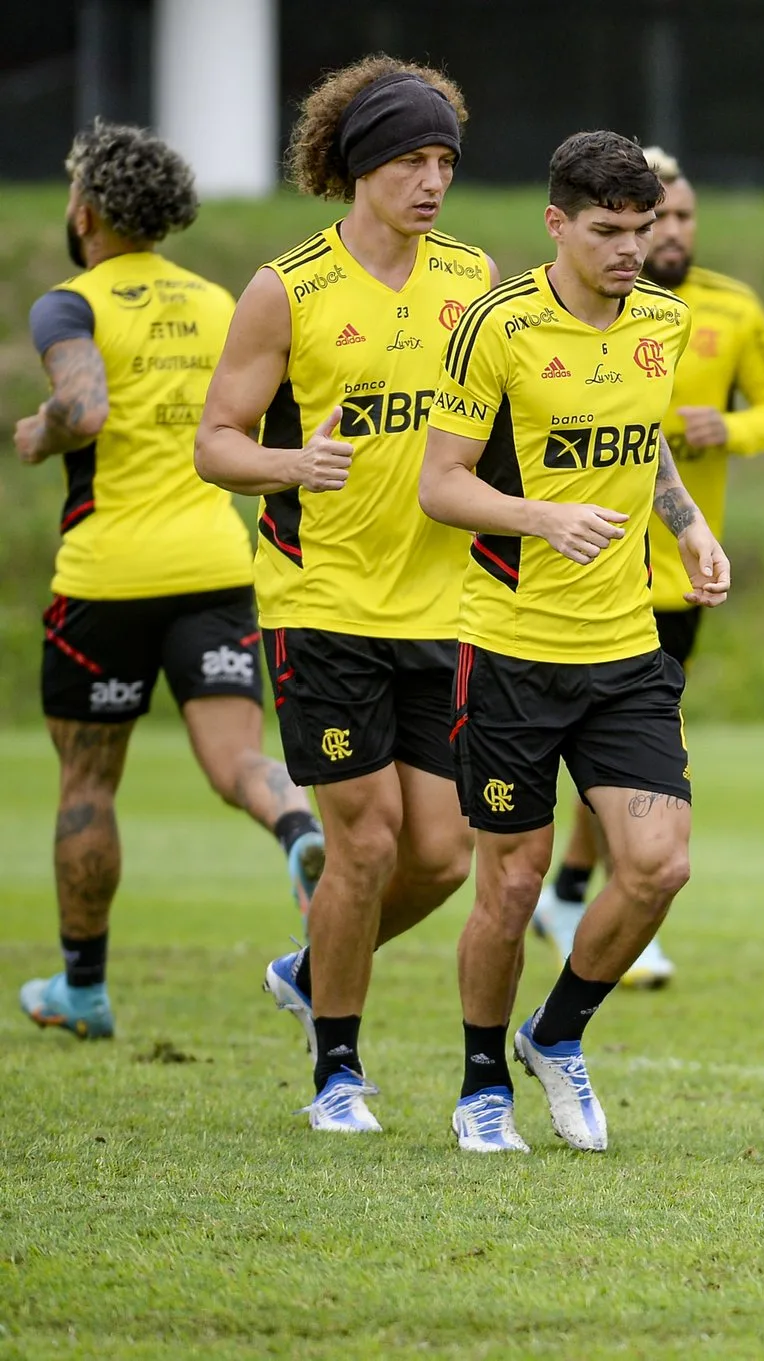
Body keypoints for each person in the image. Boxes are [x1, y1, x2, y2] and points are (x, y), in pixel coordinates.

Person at [196, 58, 494, 1133]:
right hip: (319, 601)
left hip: (445, 605)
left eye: (444, 162)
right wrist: (290, 469)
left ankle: (309, 960)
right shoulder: (289, 288)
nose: (431, 182)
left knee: (444, 853)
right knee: (362, 842)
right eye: (411, 160)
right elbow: (216, 442)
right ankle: (336, 1073)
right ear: (361, 166)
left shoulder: (472, 278)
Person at [420, 130, 730, 1155]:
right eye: (606, 231)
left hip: (624, 646)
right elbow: (442, 483)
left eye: (641, 230)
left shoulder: (663, 319)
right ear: (555, 222)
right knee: (508, 884)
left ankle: (556, 1034)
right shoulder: (496, 326)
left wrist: (686, 523)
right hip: (508, 649)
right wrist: (540, 515)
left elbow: (639, 453)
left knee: (657, 865)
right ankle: (478, 1085)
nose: (629, 250)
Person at [13, 122, 324, 1040]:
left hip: (108, 575)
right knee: (237, 760)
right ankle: (299, 835)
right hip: (217, 566)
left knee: (87, 780)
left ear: (88, 210)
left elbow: (83, 406)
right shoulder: (220, 301)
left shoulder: (69, 304)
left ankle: (84, 989)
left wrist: (42, 433)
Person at [530, 145, 764, 988]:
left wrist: (733, 431)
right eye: (653, 220)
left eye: (675, 219)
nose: (666, 235)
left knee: (626, 750)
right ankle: (601, 899)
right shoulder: (551, 314)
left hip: (677, 572)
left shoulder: (724, 309)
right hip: (577, 571)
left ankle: (578, 891)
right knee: (630, 752)